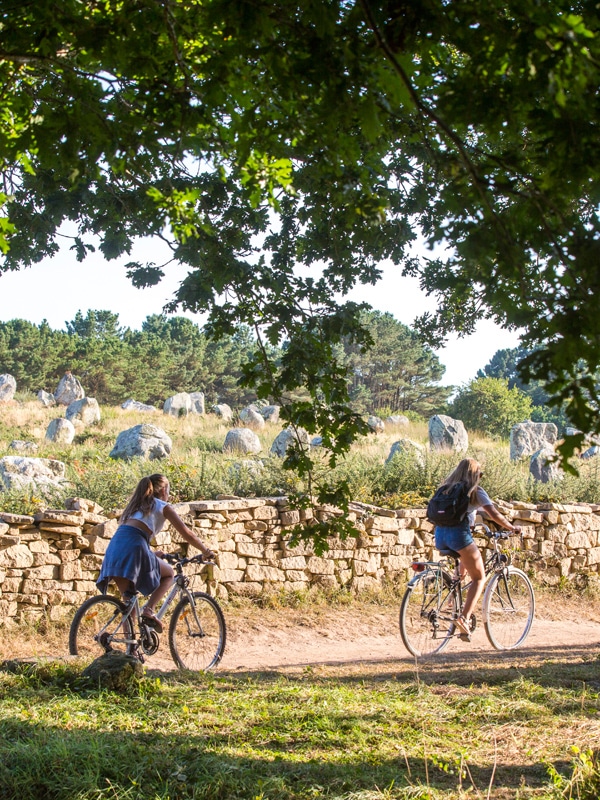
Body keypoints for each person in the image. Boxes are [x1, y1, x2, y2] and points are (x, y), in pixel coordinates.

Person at [97, 473, 214, 632]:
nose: (169, 495)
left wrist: (151, 554)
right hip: (135, 548)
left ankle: (130, 650)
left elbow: (130, 536)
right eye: (169, 490)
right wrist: (205, 551)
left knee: (128, 603)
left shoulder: (134, 507)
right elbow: (187, 534)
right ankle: (149, 610)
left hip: (115, 550)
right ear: (164, 490)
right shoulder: (162, 506)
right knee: (169, 574)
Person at [433, 458, 520, 639]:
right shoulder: (475, 491)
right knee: (479, 577)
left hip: (440, 537)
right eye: (480, 474)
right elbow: (493, 513)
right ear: (475, 475)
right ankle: (463, 619)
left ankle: (453, 598)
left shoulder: (446, 488)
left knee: (464, 568)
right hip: (458, 536)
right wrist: (511, 528)